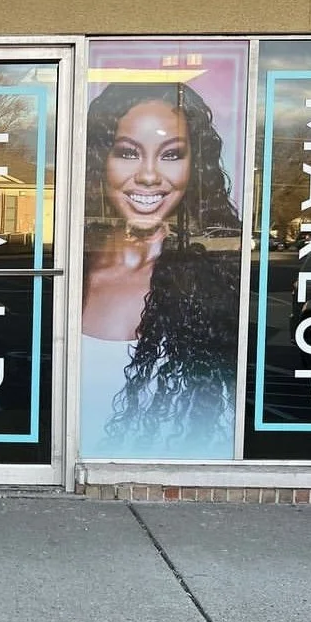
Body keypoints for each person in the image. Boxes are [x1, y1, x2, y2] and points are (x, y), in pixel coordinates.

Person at [79, 82, 241, 460]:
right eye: (128, 153)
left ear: (194, 167)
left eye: (171, 155)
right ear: (101, 159)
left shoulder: (211, 285)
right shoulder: (67, 273)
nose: (150, 176)